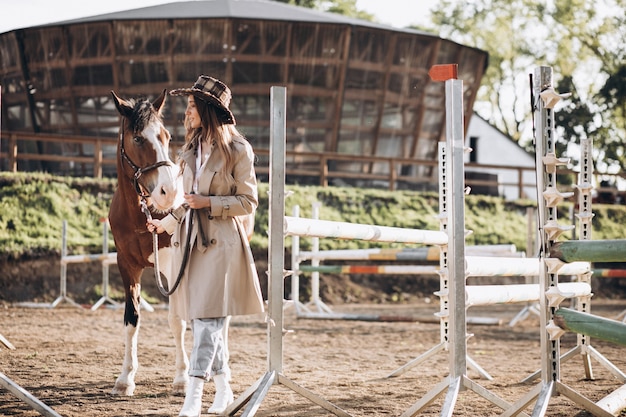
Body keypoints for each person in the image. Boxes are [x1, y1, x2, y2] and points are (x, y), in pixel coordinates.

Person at [147, 75, 264, 416]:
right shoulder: (188, 151)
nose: (186, 113)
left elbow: (248, 201)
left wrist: (210, 203)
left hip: (222, 244)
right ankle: (225, 388)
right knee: (202, 320)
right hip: (190, 244)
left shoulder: (239, 150)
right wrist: (164, 223)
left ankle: (193, 396)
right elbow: (185, 202)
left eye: (192, 106)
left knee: (209, 321)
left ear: (209, 111)